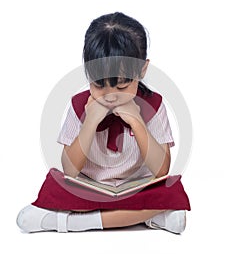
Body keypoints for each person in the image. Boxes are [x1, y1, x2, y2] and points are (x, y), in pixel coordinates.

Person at [16, 12, 186, 234]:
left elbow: (161, 170)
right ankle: (152, 217)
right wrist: (89, 123)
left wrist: (137, 121)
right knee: (54, 182)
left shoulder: (153, 106)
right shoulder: (79, 106)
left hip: (136, 187)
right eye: (99, 85)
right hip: (89, 187)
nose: (110, 95)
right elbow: (70, 170)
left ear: (142, 70)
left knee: (171, 189)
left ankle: (71, 221)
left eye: (122, 86)